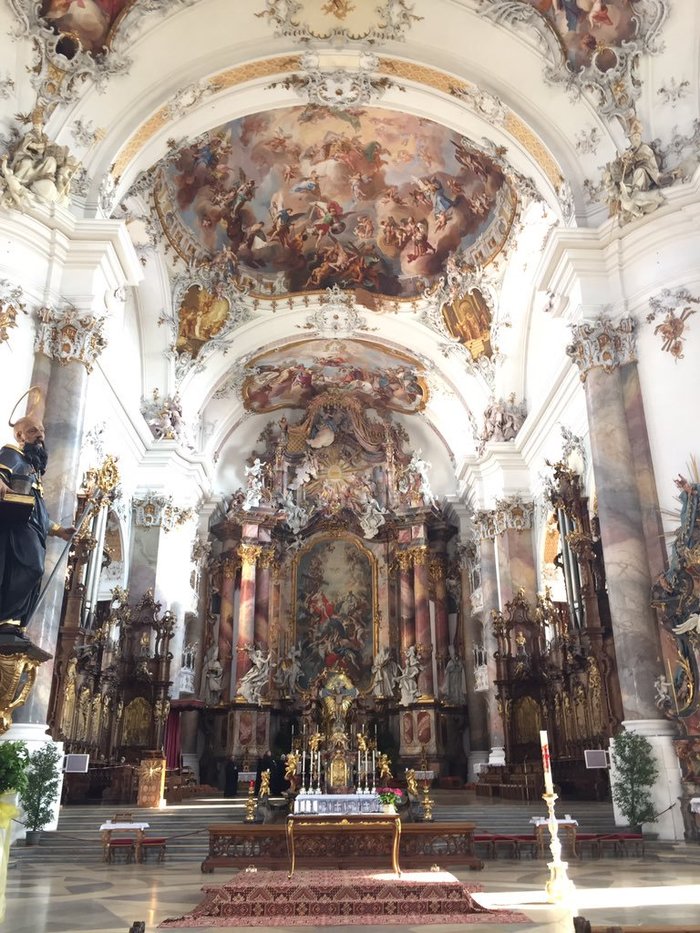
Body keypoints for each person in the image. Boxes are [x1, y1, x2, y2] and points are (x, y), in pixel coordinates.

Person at [0, 413, 73, 638]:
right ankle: (5, 619)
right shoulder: (11, 454)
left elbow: (39, 511)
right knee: (31, 568)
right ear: (19, 435)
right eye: (33, 431)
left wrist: (58, 530)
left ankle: (14, 622)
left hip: (34, 528)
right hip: (17, 525)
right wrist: (8, 492)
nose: (40, 435)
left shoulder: (33, 469)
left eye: (42, 430)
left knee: (33, 574)